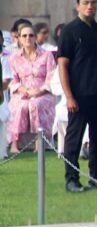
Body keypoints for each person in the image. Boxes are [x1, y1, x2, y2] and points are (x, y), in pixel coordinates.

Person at [58, 0, 97, 192]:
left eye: (93, 2)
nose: (90, 6)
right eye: (86, 3)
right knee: (74, 139)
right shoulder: (69, 31)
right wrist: (69, 96)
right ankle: (71, 178)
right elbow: (63, 65)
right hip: (79, 95)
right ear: (78, 6)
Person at [6, 23, 56, 154]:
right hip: (22, 92)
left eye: (31, 35)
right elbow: (12, 79)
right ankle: (15, 144)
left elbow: (52, 76)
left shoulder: (47, 55)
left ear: (35, 37)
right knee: (20, 106)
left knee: (36, 104)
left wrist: (40, 91)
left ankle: (39, 142)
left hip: (43, 93)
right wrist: (24, 90)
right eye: (24, 36)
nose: (28, 38)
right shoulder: (14, 58)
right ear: (19, 38)